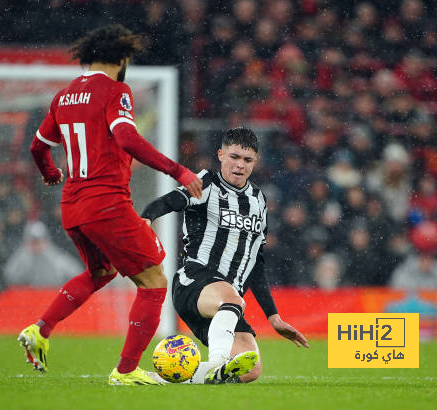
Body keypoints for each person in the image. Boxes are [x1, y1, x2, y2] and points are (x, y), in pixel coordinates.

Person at [18, 24, 202, 386]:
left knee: (101, 273)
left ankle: (41, 329)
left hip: (72, 205)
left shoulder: (63, 96)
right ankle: (127, 371)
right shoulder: (116, 90)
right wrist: (177, 170)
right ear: (122, 59)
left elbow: (37, 147)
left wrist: (50, 172)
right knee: (153, 281)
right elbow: (126, 137)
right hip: (106, 203)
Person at [141, 128, 308, 384]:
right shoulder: (206, 182)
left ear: (255, 162)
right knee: (232, 300)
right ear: (220, 155)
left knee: (249, 370)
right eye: (234, 157)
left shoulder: (258, 201)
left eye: (247, 160)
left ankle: (162, 378)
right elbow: (168, 202)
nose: (240, 165)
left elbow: (256, 262)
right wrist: (146, 219)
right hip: (194, 282)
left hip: (227, 303)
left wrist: (273, 316)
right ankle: (217, 363)